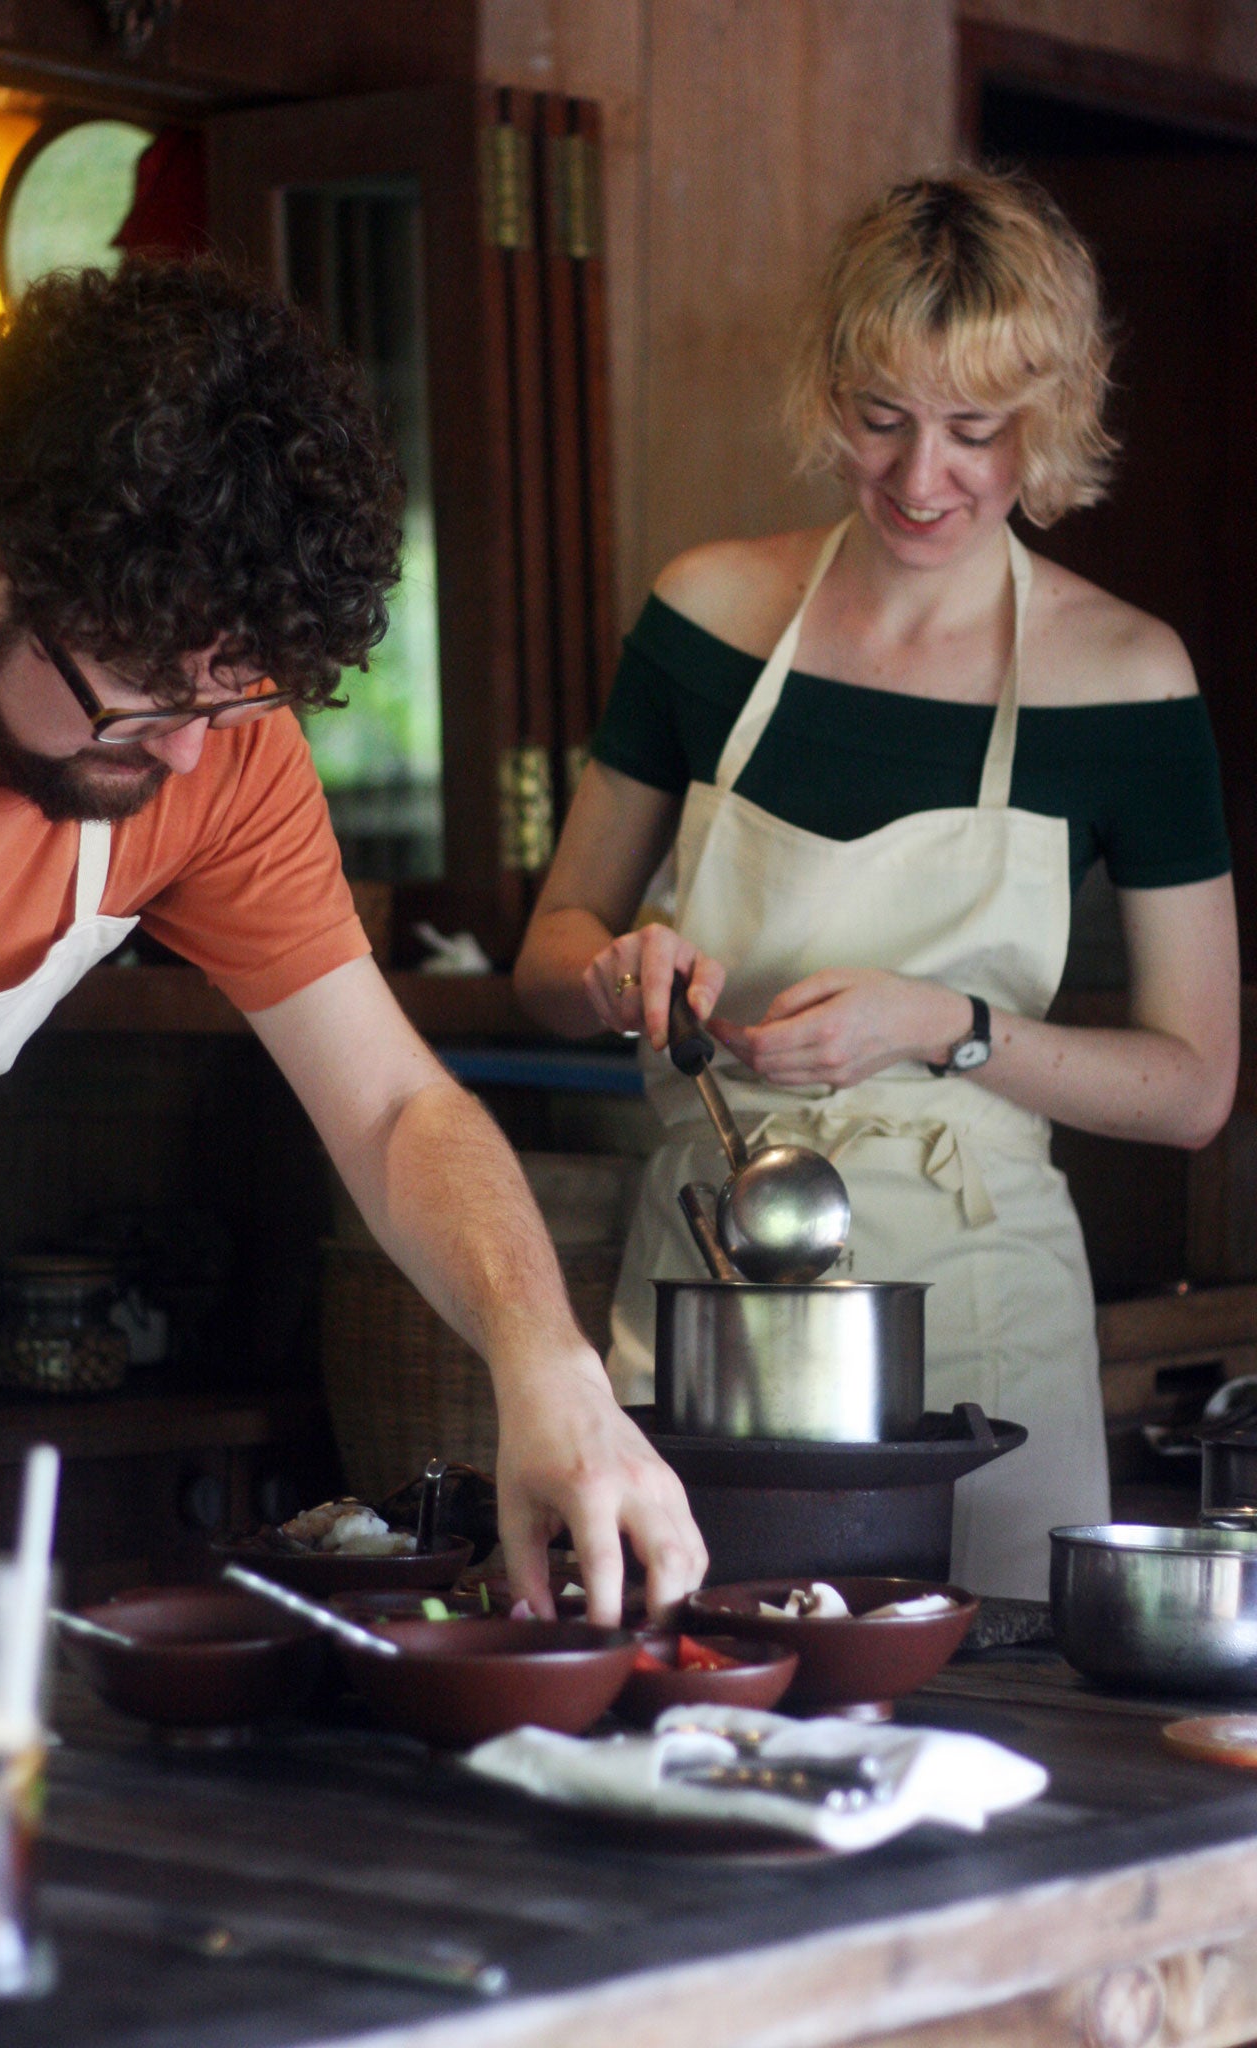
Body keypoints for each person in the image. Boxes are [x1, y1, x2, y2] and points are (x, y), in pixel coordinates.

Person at [0, 257, 704, 1673]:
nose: (186, 756)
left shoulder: (210, 754)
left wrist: (548, 1371)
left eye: (230, 698)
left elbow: (392, 1110)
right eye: (143, 700)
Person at [514, 168, 1240, 1601]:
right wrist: (615, 973)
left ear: (1053, 416)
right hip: (707, 1273)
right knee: (693, 1678)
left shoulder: (1128, 677)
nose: (922, 482)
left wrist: (948, 1027)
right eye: (880, 420)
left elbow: (1193, 1086)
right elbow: (547, 955)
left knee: (992, 1727)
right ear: (826, 393)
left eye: (978, 432)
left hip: (978, 1295)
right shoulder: (707, 618)